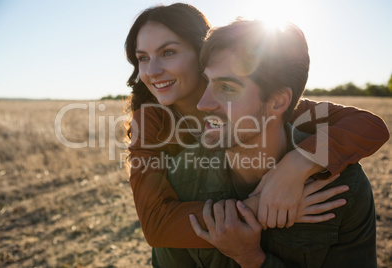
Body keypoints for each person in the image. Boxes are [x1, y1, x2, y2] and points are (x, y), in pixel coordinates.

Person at [125, 3, 389, 248]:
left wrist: (298, 163)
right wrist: (259, 207)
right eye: (142, 58)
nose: (151, 71)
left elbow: (368, 125)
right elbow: (157, 225)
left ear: (203, 53)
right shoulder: (150, 122)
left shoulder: (252, 100)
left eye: (168, 52)